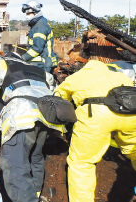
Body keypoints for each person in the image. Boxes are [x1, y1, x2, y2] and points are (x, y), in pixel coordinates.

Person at [0, 52, 64, 202]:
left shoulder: (0, 62)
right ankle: (35, 194)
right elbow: (54, 89)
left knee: (15, 163)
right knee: (35, 156)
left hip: (23, 113)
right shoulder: (39, 70)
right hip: (46, 115)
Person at [54, 60, 136, 202]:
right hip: (131, 115)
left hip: (96, 115)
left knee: (82, 163)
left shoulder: (78, 77)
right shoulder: (120, 76)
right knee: (135, 152)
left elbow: (59, 98)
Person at [21, 0, 58, 72]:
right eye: (26, 13)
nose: (27, 15)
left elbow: (37, 49)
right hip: (40, 63)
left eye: (29, 13)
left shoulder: (40, 27)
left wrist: (23, 58)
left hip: (42, 64)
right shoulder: (37, 24)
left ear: (36, 12)